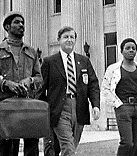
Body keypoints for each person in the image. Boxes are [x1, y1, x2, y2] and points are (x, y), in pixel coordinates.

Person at [0, 11, 42, 156]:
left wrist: (29, 81)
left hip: (29, 106)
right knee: (7, 150)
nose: (21, 25)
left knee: (31, 149)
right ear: (7, 27)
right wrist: (6, 84)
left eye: (22, 22)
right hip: (6, 107)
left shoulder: (32, 51)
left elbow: (40, 78)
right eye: (17, 22)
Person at [37, 26, 100, 156]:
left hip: (79, 107)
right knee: (68, 146)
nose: (69, 40)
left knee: (72, 145)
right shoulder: (49, 61)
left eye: (72, 37)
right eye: (66, 37)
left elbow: (93, 84)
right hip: (59, 109)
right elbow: (41, 88)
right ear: (59, 40)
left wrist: (95, 105)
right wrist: (42, 109)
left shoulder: (84, 61)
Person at [101, 38, 137, 156]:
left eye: (133, 48)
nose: (131, 50)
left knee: (136, 144)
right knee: (127, 143)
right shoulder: (113, 69)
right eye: (127, 48)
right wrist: (118, 105)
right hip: (123, 107)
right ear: (121, 51)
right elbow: (105, 89)